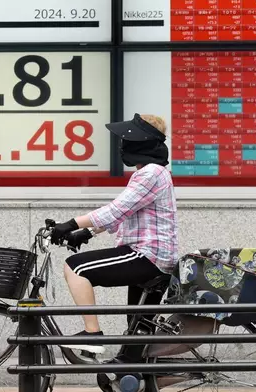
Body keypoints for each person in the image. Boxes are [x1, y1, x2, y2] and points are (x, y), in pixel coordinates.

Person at [50, 113, 178, 362]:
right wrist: (86, 232)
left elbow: (116, 209)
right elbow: (125, 212)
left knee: (76, 268)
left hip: (146, 256)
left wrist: (71, 224)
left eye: (127, 139)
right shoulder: (153, 172)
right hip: (156, 258)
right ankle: (137, 376)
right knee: (137, 335)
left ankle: (92, 334)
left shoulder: (150, 173)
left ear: (140, 142)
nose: (122, 145)